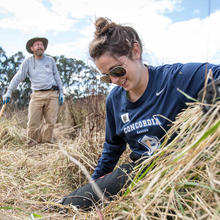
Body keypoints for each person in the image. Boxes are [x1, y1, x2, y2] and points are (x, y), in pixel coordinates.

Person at [58, 17, 220, 210]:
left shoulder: (178, 78)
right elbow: (112, 149)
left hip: (185, 169)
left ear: (136, 51)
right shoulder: (115, 100)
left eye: (117, 70)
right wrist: (91, 187)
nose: (115, 80)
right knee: (74, 204)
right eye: (106, 77)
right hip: (141, 175)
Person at [2, 37, 64, 146]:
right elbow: (18, 77)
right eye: (37, 45)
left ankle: (46, 145)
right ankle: (31, 144)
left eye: (41, 44)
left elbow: (57, 76)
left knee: (50, 122)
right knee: (33, 123)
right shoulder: (28, 62)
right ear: (32, 48)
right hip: (37, 95)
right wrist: (9, 91)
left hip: (52, 94)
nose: (40, 46)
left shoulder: (50, 60)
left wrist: (62, 92)